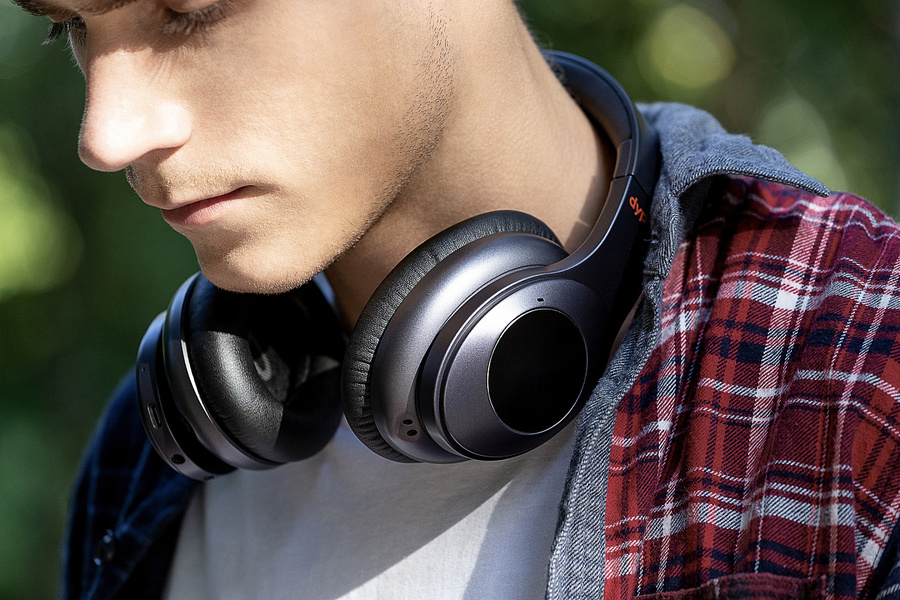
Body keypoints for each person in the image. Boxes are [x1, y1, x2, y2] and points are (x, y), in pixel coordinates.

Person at [11, 0, 900, 599]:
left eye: (189, 9)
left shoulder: (859, 378)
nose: (106, 133)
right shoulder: (152, 452)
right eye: (70, 27)